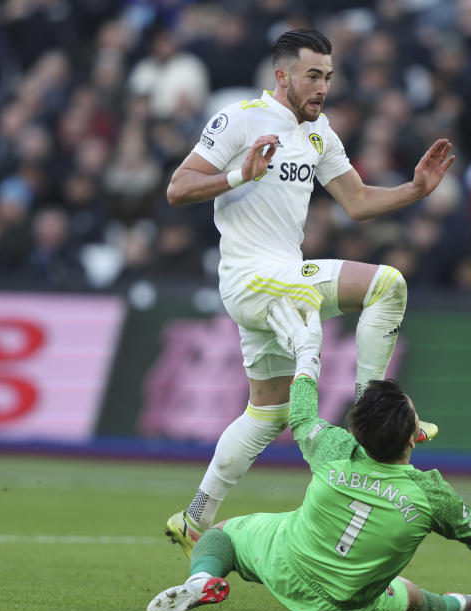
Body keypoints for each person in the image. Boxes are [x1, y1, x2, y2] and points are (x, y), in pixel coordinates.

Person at [162, 28, 452, 556]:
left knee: (266, 413)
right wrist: (236, 176)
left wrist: (414, 191)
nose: (322, 88)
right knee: (384, 284)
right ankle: (371, 417)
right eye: (313, 76)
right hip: (250, 278)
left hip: (281, 280)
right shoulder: (239, 119)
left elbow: (359, 202)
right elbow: (178, 187)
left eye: (328, 77)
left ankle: (194, 517)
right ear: (283, 76)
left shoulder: (319, 134)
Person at [146, 297, 471, 611]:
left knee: (224, 534)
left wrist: (308, 355)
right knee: (414, 597)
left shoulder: (334, 449)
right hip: (348, 604)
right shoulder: (430, 493)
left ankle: (202, 579)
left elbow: (302, 415)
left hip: (287, 564)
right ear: (412, 439)